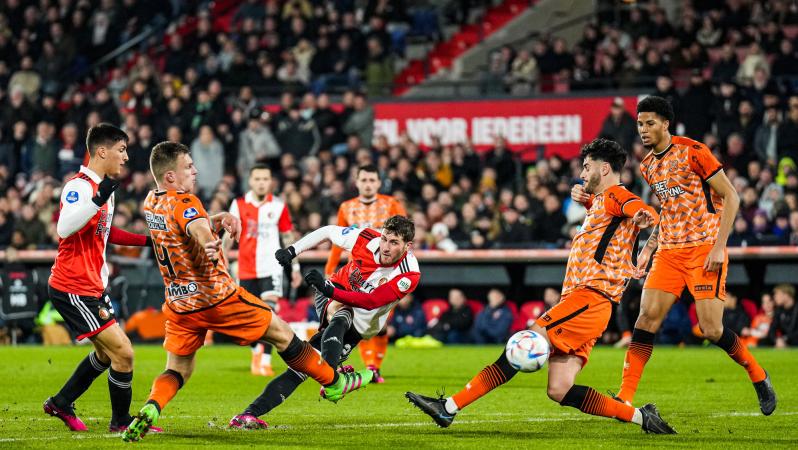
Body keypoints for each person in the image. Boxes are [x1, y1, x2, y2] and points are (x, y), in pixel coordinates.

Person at [406, 138, 675, 433]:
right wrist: (588, 201)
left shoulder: (615, 196)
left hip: (590, 297)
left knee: (523, 343)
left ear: (605, 168)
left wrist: (643, 218)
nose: (582, 174)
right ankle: (641, 417)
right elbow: (614, 221)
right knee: (559, 389)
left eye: (586, 168)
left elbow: (643, 211)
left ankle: (448, 408)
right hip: (590, 304)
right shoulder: (600, 201)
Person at [122, 142, 372, 441]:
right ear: (171, 176)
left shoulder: (152, 201)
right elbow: (194, 226)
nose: (195, 170)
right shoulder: (186, 201)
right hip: (217, 296)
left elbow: (184, 226)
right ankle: (333, 382)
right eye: (188, 166)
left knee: (178, 369)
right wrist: (209, 240)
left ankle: (152, 407)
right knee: (282, 333)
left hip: (179, 303)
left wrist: (214, 221)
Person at [616, 96, 776, 415]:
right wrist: (648, 249)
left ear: (665, 123)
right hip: (669, 252)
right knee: (646, 317)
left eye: (649, 123)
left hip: (705, 248)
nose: (643, 129)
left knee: (711, 329)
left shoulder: (693, 151)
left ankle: (758, 375)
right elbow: (668, 210)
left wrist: (719, 246)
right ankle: (624, 397)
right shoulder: (648, 166)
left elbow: (731, 196)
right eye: (639, 123)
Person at [228, 215, 420, 429]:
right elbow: (328, 231)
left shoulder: (409, 274)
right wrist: (292, 251)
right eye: (384, 238)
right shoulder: (366, 238)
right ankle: (331, 380)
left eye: (394, 243)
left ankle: (329, 379)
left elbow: (371, 301)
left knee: (303, 367)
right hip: (334, 296)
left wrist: (331, 290)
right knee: (340, 314)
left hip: (361, 321)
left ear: (407, 246)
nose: (385, 247)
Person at [43, 124, 155, 433]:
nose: (126, 156)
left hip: (93, 285)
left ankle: (61, 402)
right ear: (102, 151)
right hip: (72, 286)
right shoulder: (78, 187)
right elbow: (64, 228)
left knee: (106, 354)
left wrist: (148, 242)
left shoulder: (104, 189)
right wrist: (96, 200)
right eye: (121, 150)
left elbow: (105, 233)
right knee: (124, 352)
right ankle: (120, 422)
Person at [326, 164, 406, 383]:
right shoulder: (346, 207)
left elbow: (406, 239)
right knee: (356, 319)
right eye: (364, 180)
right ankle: (368, 365)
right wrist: (329, 268)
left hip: (387, 274)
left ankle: (374, 366)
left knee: (380, 324)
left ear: (379, 183)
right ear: (357, 182)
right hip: (356, 274)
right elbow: (337, 242)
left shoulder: (392, 204)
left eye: (372, 180)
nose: (368, 184)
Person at [226, 164, 302, 376]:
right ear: (251, 181)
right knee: (249, 317)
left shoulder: (278, 206)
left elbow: (288, 237)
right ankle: (256, 354)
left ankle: (266, 360)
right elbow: (228, 235)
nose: (261, 182)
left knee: (269, 313)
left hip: (272, 268)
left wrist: (294, 267)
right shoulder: (238, 204)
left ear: (271, 182)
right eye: (257, 178)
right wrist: (222, 257)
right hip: (246, 268)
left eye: (265, 179)